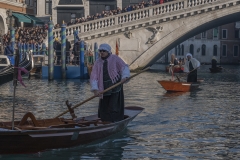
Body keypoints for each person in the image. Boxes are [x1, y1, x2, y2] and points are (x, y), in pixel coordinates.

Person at [90, 43, 130, 122]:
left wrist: (124, 77)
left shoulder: (115, 58)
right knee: (104, 106)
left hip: (115, 86)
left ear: (108, 51)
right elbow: (94, 76)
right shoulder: (97, 62)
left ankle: (115, 120)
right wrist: (95, 89)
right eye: (100, 51)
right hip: (103, 87)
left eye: (104, 51)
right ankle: (104, 121)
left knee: (114, 105)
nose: (102, 52)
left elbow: (124, 67)